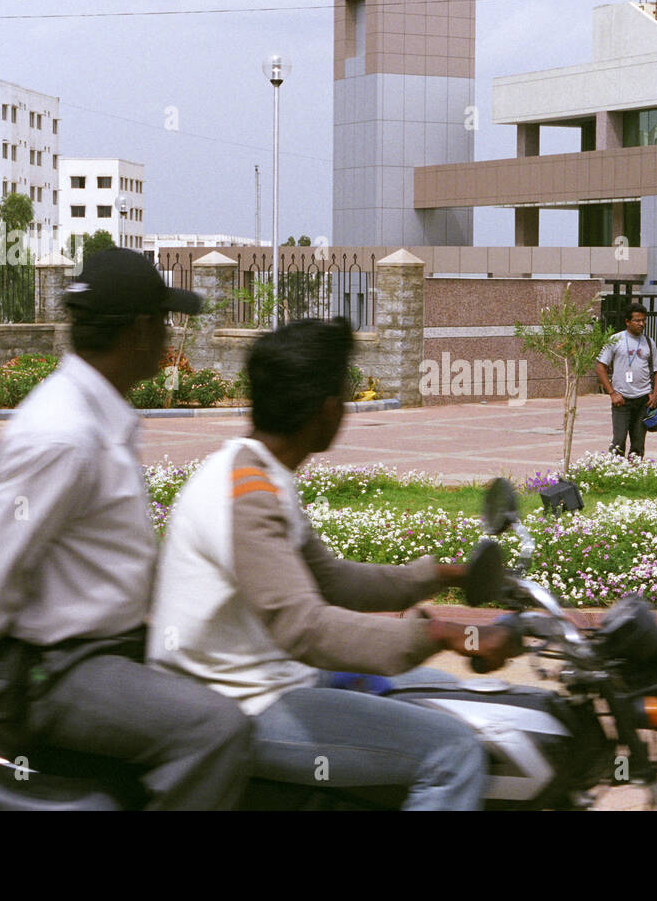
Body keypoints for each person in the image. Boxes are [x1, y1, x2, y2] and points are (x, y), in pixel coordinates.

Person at [147, 317, 516, 811]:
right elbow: (304, 627)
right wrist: (444, 634)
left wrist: (445, 575)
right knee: (455, 751)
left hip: (275, 677)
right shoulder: (245, 494)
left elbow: (329, 579)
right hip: (242, 703)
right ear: (327, 410)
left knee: (458, 698)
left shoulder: (259, 472)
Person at [0, 248, 253, 810]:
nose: (169, 337)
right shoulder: (64, 433)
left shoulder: (95, 415)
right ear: (138, 330)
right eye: (163, 322)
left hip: (108, 655)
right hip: (63, 672)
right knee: (217, 731)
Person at [595, 302, 657, 458]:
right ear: (627, 321)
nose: (641, 324)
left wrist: (655, 394)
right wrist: (612, 393)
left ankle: (635, 472)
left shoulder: (648, 342)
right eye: (637, 320)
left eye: (643, 321)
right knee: (618, 442)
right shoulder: (616, 340)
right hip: (622, 400)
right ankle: (615, 473)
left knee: (638, 444)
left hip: (643, 400)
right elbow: (600, 366)